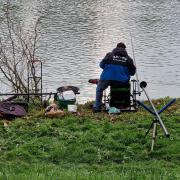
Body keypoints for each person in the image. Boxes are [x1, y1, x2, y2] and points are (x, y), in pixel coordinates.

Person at [93, 42, 136, 112]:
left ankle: (97, 107)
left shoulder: (109, 55)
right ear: (125, 49)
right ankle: (123, 103)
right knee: (123, 86)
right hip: (122, 81)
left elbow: (101, 65)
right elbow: (132, 73)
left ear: (116, 47)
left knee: (99, 88)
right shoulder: (129, 59)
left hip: (107, 78)